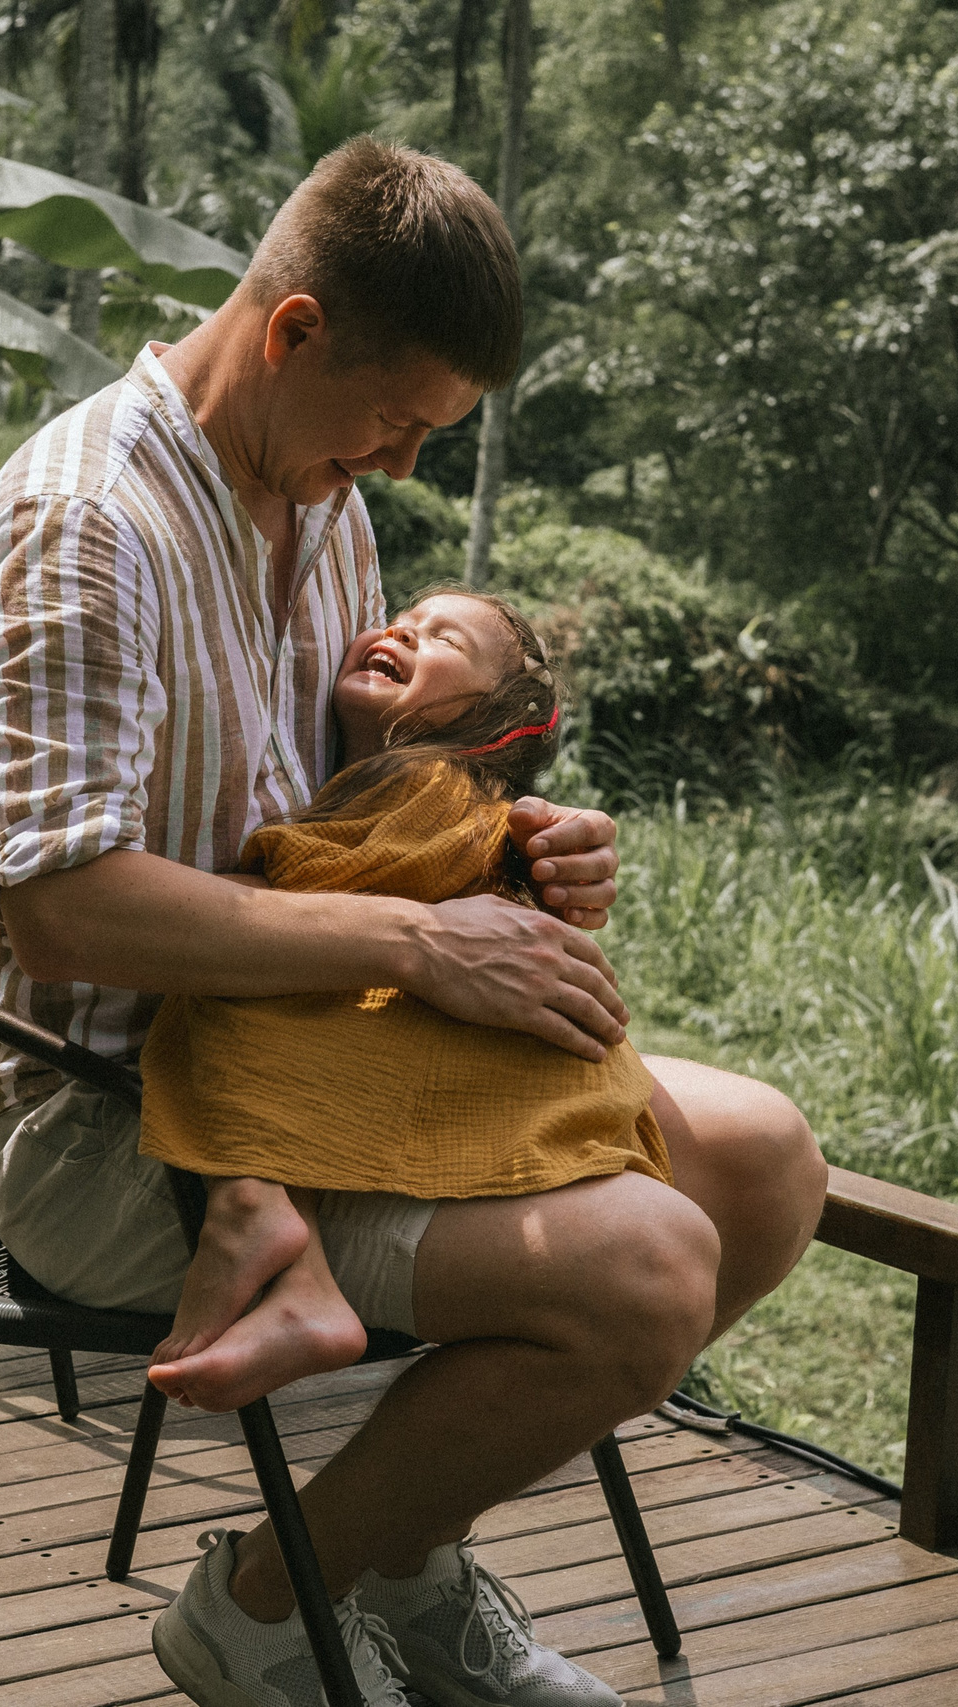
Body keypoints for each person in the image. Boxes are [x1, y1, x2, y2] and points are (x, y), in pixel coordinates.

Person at [0, 136, 830, 1707]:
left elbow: (345, 810)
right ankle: (266, 1601)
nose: (404, 469)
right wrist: (423, 946)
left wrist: (513, 849)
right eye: (396, 421)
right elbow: (63, 908)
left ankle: (400, 1556)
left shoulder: (317, 503)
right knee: (641, 1272)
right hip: (121, 1121)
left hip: (329, 1051)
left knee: (762, 1165)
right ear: (292, 334)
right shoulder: (87, 527)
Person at [140, 588, 673, 1416]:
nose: (399, 631)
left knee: (229, 981)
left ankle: (254, 1209)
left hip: (464, 1066)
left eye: (441, 637)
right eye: (402, 620)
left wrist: (190, 894)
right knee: (262, 988)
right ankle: (293, 1265)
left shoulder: (428, 784)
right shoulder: (418, 789)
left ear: (492, 720)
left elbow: (312, 892)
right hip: (472, 1056)